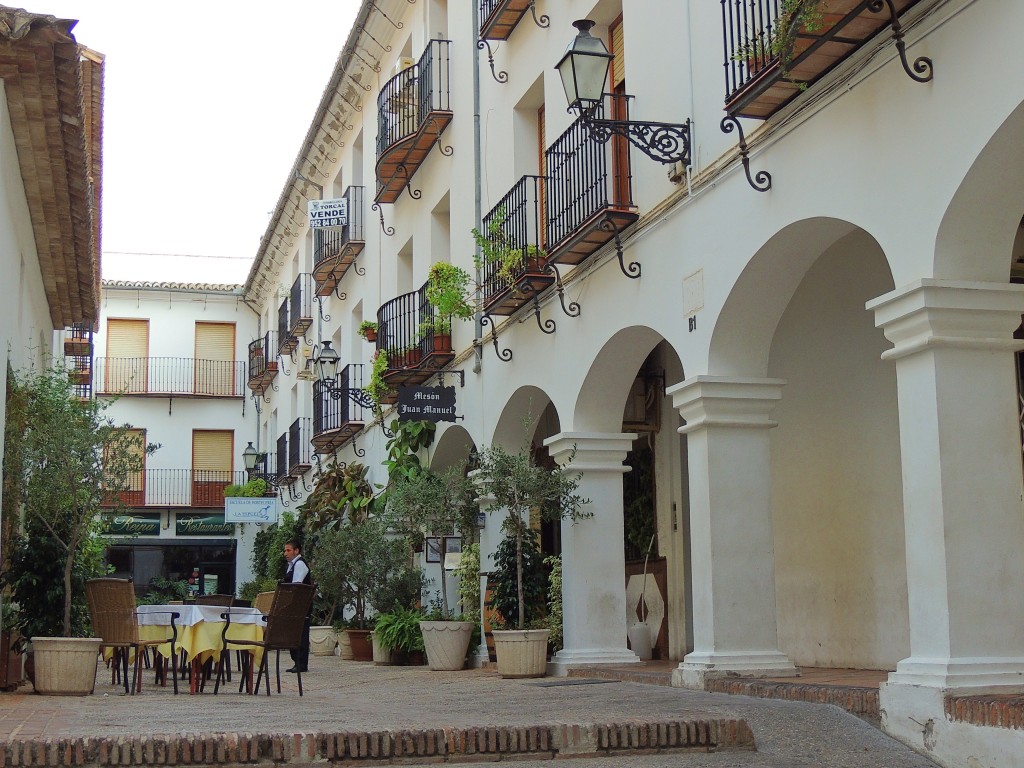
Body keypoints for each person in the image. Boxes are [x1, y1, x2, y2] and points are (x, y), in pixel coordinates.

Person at [282, 539, 311, 673]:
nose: (285, 553)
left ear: (296, 551)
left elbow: (297, 586)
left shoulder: (299, 564)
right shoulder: (292, 564)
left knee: (300, 634)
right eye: (285, 550)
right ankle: (297, 663)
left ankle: (301, 664)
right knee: (295, 633)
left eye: (288, 550)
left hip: (300, 605)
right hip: (295, 605)